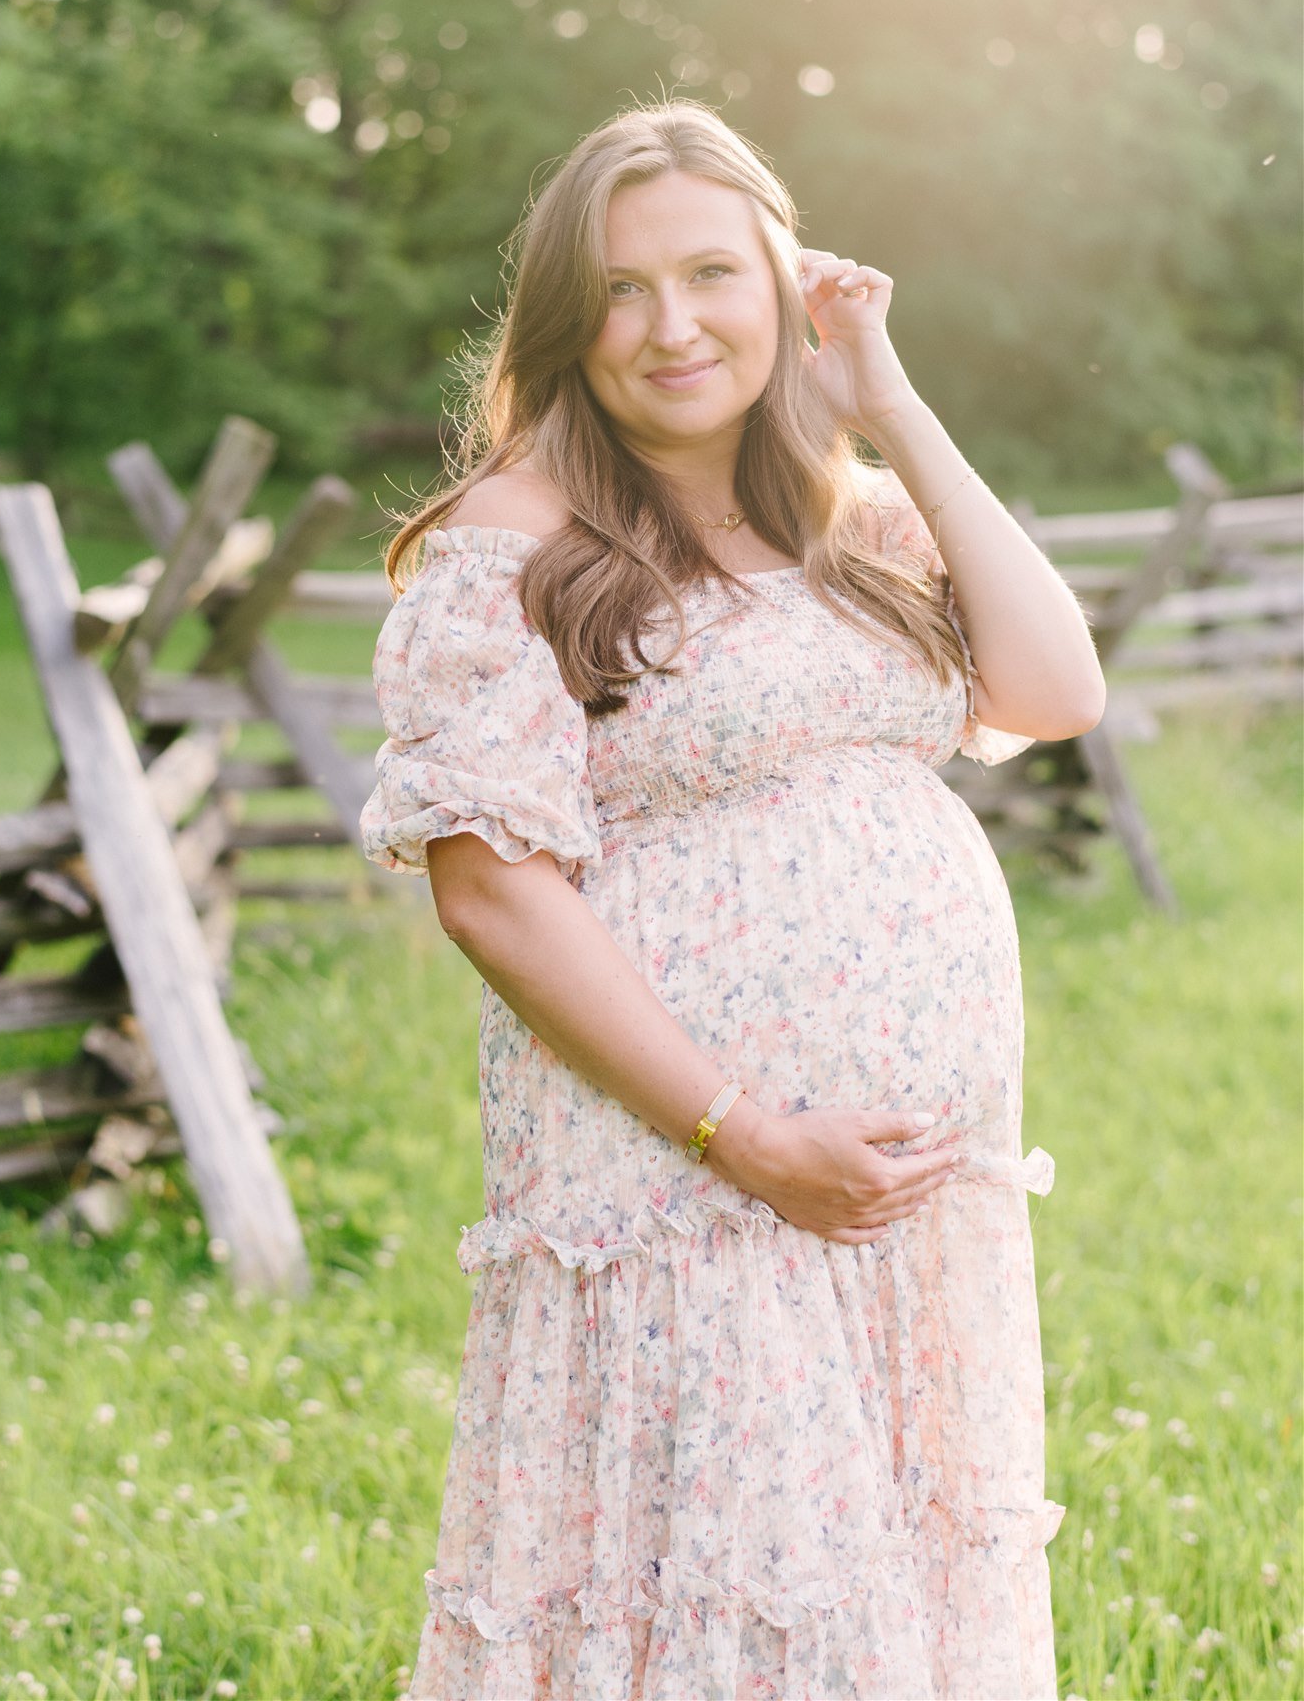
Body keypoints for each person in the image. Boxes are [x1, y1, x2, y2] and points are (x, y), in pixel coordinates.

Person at [360, 99, 1104, 1701]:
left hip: (907, 1203)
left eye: (714, 273)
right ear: (569, 320)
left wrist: (888, 400)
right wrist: (749, 1138)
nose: (672, 324)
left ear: (783, 287)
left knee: (879, 1594)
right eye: (623, 289)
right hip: (687, 1181)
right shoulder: (517, 543)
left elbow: (1053, 685)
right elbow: (493, 897)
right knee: (707, 1600)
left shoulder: (851, 524)